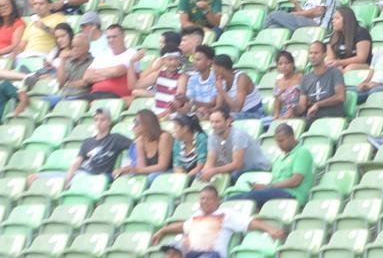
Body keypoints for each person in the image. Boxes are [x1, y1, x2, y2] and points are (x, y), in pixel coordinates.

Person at [150, 185, 285, 257]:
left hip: (211, 254)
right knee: (172, 250)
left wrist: (270, 229)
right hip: (190, 253)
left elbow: (249, 223)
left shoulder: (225, 214)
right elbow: (183, 226)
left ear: (217, 200)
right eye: (202, 198)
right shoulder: (196, 216)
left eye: (208, 199)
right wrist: (163, 230)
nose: (205, 201)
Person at [228, 123, 314, 206]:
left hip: (293, 194)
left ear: (292, 137)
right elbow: (274, 182)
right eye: (277, 141)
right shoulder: (279, 158)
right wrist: (261, 186)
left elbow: (295, 181)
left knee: (252, 196)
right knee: (232, 199)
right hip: (276, 192)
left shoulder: (302, 153)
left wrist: (268, 187)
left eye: (282, 141)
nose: (279, 144)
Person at [60, 108, 132, 183]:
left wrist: (124, 168)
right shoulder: (87, 142)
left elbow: (135, 147)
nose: (99, 123)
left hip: (99, 176)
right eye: (96, 120)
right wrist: (67, 180)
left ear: (109, 122)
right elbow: (76, 163)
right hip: (82, 173)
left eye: (102, 120)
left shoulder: (116, 138)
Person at [113, 109, 173, 179]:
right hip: (151, 173)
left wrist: (135, 169)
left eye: (137, 123)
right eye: (134, 122)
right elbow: (142, 168)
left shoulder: (164, 137)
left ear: (147, 124)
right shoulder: (140, 140)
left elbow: (163, 166)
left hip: (168, 171)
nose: (134, 126)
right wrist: (129, 170)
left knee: (151, 177)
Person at [15, 0, 67, 71]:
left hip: (43, 57)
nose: (37, 7)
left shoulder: (58, 18)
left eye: (41, 4)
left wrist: (45, 28)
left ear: (49, 6)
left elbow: (64, 36)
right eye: (35, 4)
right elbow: (22, 45)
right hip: (24, 57)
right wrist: (14, 53)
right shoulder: (31, 23)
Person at [297, 41, 347, 121]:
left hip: (332, 116)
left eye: (316, 53)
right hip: (312, 117)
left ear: (324, 55)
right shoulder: (305, 79)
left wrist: (318, 104)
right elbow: (302, 107)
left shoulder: (335, 73)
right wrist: (292, 108)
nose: (313, 56)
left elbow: (341, 97)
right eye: (310, 53)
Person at [213, 55, 264, 119]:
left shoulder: (241, 78)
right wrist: (208, 111)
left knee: (222, 119)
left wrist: (221, 91)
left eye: (214, 70)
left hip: (254, 112)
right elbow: (219, 106)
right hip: (237, 114)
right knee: (213, 116)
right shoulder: (221, 81)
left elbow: (237, 108)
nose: (213, 72)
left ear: (221, 69)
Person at [327, 6, 372, 71]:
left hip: (362, 66)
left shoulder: (361, 33)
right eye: (333, 18)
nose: (333, 21)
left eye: (337, 18)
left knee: (349, 68)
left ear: (346, 19)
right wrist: (332, 63)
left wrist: (339, 63)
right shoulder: (334, 36)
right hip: (341, 65)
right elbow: (330, 57)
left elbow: (361, 58)